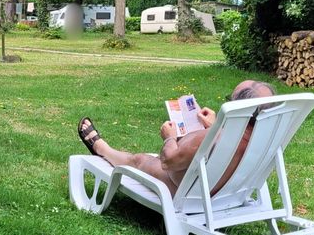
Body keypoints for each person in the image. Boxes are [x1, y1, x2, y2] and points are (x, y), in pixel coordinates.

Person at [78, 80, 275, 197]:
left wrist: (169, 138)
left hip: (192, 194)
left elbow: (168, 162)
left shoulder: (217, 138)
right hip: (229, 193)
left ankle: (100, 148)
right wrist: (216, 126)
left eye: (230, 100)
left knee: (140, 159)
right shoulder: (267, 138)